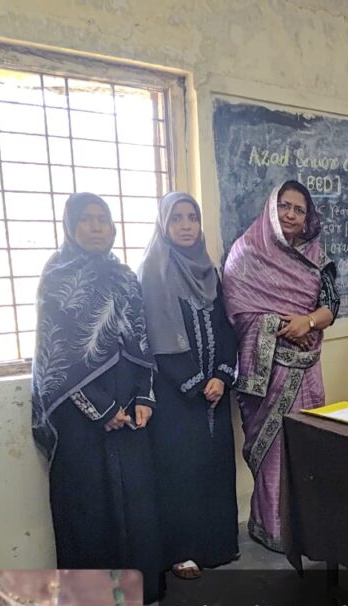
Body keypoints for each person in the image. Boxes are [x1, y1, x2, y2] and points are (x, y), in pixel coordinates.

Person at [31, 193, 164, 602]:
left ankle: (141, 588)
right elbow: (58, 356)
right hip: (80, 413)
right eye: (85, 219)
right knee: (90, 504)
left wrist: (144, 396)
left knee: (136, 498)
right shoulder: (57, 278)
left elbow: (141, 338)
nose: (94, 227)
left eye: (102, 219)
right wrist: (100, 409)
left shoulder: (125, 276)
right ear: (70, 227)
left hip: (129, 404)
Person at [222, 180, 339, 553]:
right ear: (271, 208)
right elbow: (239, 312)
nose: (290, 214)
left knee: (304, 444)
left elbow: (332, 304)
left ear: (308, 217)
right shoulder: (245, 253)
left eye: (299, 209)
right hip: (267, 372)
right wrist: (285, 327)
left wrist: (309, 322)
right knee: (271, 448)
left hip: (307, 371)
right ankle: (271, 526)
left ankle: (303, 525)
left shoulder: (315, 256)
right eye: (284, 206)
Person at [138, 192, 239, 579]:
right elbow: (155, 338)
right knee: (180, 471)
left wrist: (222, 376)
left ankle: (217, 546)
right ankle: (182, 552)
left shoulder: (210, 271)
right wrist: (196, 383)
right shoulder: (154, 271)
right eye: (176, 218)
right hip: (175, 395)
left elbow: (226, 327)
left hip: (215, 391)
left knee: (214, 467)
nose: (185, 225)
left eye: (192, 217)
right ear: (163, 224)